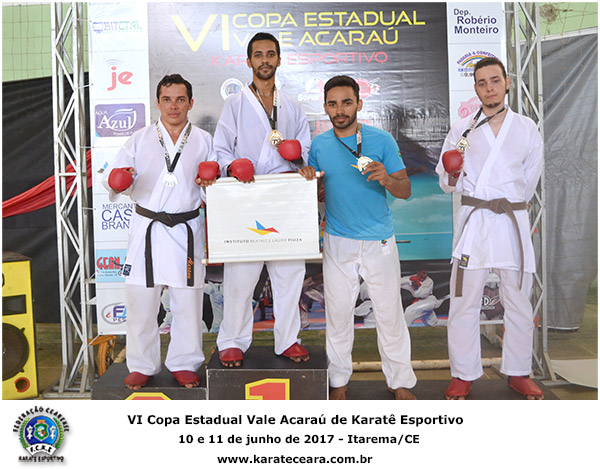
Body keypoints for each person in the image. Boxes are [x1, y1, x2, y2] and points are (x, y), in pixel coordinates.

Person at [299, 75, 417, 400]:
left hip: (379, 240)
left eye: (346, 103)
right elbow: (318, 192)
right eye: (333, 104)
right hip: (338, 240)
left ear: (359, 104)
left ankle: (400, 382)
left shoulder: (382, 140)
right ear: (325, 107)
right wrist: (309, 181)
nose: (340, 110)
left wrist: (386, 179)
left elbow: (405, 190)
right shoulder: (319, 146)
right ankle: (338, 381)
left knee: (389, 314)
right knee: (337, 316)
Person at [436, 57, 544, 400]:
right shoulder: (462, 130)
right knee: (463, 301)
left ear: (507, 82)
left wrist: (506, 202)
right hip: (476, 223)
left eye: (495, 81)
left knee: (519, 300)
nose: (489, 88)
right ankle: (463, 374)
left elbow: (529, 182)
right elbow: (446, 181)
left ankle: (518, 372)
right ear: (476, 89)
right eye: (482, 83)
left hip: (511, 221)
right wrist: (453, 173)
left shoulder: (526, 128)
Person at [102, 74, 215, 390]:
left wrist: (209, 183)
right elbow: (113, 179)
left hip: (186, 229)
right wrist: (119, 180)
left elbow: (213, 188)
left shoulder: (204, 141)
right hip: (147, 230)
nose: (173, 106)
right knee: (141, 302)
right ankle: (142, 364)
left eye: (180, 100)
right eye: (167, 99)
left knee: (188, 303)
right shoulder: (139, 139)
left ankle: (185, 362)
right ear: (158, 103)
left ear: (191, 103)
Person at [213, 32, 312, 367]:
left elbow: (304, 147)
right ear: (249, 61)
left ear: (279, 60)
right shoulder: (235, 104)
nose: (265, 60)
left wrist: (299, 161)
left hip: (284, 196)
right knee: (240, 276)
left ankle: (288, 339)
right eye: (258, 55)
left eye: (271, 54)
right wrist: (233, 166)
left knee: (289, 273)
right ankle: (232, 341)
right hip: (246, 194)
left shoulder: (292, 106)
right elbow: (220, 149)